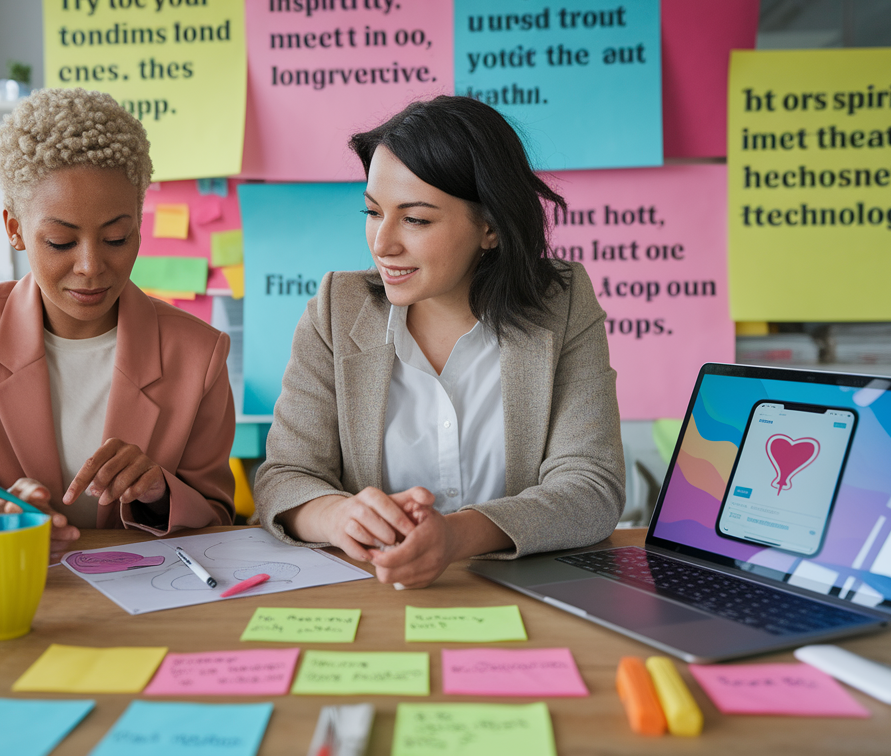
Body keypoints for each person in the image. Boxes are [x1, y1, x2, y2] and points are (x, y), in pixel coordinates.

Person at [253, 95, 625, 588]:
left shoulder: (563, 303)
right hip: (370, 595)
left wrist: (456, 535)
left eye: (415, 219)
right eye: (372, 211)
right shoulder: (335, 308)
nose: (382, 243)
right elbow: (284, 477)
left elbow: (591, 488)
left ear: (489, 226)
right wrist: (340, 517)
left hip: (520, 598)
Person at [0, 88, 236, 557]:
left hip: (143, 596)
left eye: (117, 238)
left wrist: (160, 493)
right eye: (60, 242)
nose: (91, 266)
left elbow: (217, 512)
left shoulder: (199, 353)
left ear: (139, 222)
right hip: (5, 582)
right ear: (14, 228)